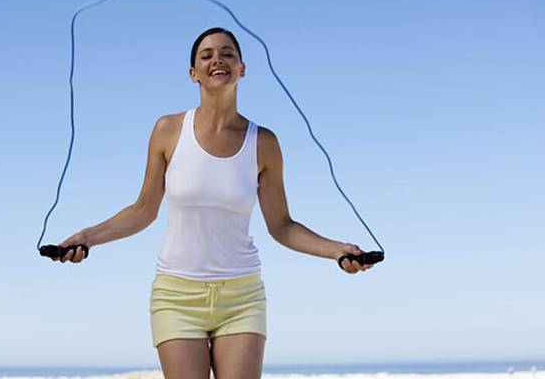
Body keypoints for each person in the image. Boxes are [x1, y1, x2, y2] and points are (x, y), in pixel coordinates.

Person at [51, 27, 374, 379]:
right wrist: (87, 237)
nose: (217, 59)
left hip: (241, 296)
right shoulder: (168, 130)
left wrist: (337, 250)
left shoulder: (263, 142)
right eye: (206, 55)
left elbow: (282, 226)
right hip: (177, 295)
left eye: (227, 53)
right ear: (193, 74)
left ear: (242, 68)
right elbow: (143, 210)